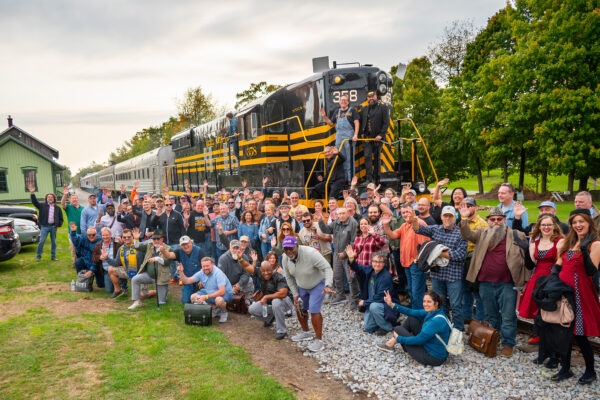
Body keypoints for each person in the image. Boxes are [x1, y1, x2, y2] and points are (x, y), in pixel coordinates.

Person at [458, 206, 528, 356]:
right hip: (485, 282)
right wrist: (463, 219)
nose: (496, 222)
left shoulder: (516, 234)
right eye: (493, 219)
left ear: (504, 220)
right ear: (488, 221)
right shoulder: (482, 233)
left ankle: (508, 343)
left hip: (508, 283)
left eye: (499, 219)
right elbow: (466, 234)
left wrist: (524, 280)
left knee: (508, 315)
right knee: (491, 315)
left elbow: (525, 257)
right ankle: (492, 339)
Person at [550, 209, 600, 384]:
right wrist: (551, 280)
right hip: (563, 290)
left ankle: (590, 370)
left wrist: (584, 249)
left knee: (579, 333)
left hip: (580, 292)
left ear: (589, 222)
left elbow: (591, 270)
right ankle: (565, 368)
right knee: (563, 331)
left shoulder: (595, 243)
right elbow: (559, 264)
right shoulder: (568, 241)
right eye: (575, 222)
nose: (578, 225)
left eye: (582, 221)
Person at [413, 206, 468, 331]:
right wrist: (414, 220)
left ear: (455, 217)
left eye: (450, 216)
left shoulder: (461, 233)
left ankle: (458, 331)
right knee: (439, 304)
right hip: (437, 274)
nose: (447, 218)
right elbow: (418, 229)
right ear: (441, 217)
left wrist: (437, 252)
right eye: (445, 215)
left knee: (455, 305)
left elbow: (460, 255)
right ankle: (444, 328)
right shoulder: (436, 229)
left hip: (454, 275)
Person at [517, 214, 563, 350]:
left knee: (549, 309)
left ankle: (549, 339)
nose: (546, 227)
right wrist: (528, 249)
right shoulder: (535, 243)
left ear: (554, 226)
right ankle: (539, 337)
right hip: (537, 277)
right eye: (543, 225)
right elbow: (531, 263)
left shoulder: (560, 241)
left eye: (549, 224)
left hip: (553, 277)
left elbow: (561, 263)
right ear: (539, 227)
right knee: (537, 309)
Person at [281, 237, 335, 352]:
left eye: (291, 248)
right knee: (299, 307)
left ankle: (319, 341)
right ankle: (306, 332)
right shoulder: (285, 257)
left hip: (317, 284)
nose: (289, 252)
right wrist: (295, 294)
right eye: (286, 249)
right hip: (302, 285)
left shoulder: (311, 253)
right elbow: (289, 278)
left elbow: (327, 268)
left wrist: (328, 285)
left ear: (297, 245)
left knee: (314, 309)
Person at [376, 290, 450, 367]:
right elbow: (411, 312)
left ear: (436, 303)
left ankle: (392, 343)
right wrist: (392, 304)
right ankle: (392, 343)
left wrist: (399, 339)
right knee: (412, 319)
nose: (425, 304)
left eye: (429, 302)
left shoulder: (437, 321)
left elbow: (419, 339)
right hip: (433, 347)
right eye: (424, 301)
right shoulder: (434, 312)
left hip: (434, 357)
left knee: (398, 329)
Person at [382, 204, 429, 309]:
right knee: (411, 289)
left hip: (416, 264)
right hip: (407, 263)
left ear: (413, 211)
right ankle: (414, 310)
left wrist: (417, 260)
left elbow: (425, 245)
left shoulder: (420, 223)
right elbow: (393, 235)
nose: (405, 214)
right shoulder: (404, 225)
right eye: (403, 213)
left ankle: (418, 315)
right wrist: (386, 225)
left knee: (417, 291)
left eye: (407, 212)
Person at [346, 246, 396, 334]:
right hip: (372, 302)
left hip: (385, 305)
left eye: (380, 262)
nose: (377, 264)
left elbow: (381, 297)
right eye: (375, 261)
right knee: (368, 327)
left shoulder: (386, 277)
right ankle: (380, 322)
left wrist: (365, 302)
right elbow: (358, 268)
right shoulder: (370, 270)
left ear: (384, 264)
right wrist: (351, 258)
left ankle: (388, 327)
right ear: (372, 262)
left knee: (374, 307)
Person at [318, 207, 359, 308]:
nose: (341, 216)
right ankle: (340, 295)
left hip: (348, 255)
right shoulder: (336, 222)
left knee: (351, 278)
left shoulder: (353, 223)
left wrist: (345, 253)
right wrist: (320, 221)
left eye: (343, 213)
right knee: (337, 276)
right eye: (339, 214)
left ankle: (355, 299)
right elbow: (327, 230)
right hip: (337, 254)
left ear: (348, 213)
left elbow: (354, 241)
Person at [242, 260, 294, 340]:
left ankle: (281, 330)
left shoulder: (278, 277)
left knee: (276, 302)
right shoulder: (259, 272)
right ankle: (270, 317)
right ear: (261, 270)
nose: (266, 273)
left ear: (272, 269)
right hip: (271, 301)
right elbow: (246, 266)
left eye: (268, 270)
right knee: (251, 309)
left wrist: (266, 297)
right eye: (264, 271)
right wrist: (239, 258)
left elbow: (283, 294)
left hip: (286, 301)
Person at [179, 257, 234, 324]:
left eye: (207, 266)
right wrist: (181, 271)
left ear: (212, 265)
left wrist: (206, 297)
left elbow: (222, 292)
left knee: (219, 300)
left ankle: (223, 312)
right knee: (193, 297)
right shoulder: (201, 272)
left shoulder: (218, 273)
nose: (205, 268)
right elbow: (187, 281)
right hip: (210, 291)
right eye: (203, 266)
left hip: (225, 293)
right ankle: (215, 308)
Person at [458, 197, 488, 322]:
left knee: (477, 292)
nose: (466, 208)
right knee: (465, 290)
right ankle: (467, 316)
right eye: (463, 205)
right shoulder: (460, 221)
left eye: (469, 205)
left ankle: (480, 320)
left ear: (475, 207)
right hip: (462, 259)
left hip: (474, 261)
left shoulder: (482, 224)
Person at [320, 94, 360, 183]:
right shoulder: (336, 112)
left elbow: (356, 123)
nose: (343, 101)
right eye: (342, 100)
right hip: (339, 138)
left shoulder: (352, 111)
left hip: (349, 138)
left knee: (349, 160)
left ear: (348, 102)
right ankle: (343, 179)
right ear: (339, 102)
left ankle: (350, 180)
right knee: (339, 159)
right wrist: (324, 116)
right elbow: (330, 123)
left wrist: (355, 135)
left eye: (345, 100)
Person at [128, 230, 172, 309]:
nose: (156, 241)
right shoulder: (149, 245)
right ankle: (137, 301)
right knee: (135, 279)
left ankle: (162, 294)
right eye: (154, 239)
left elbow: (167, 262)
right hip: (148, 275)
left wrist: (157, 258)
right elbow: (137, 247)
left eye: (158, 239)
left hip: (160, 278)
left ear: (162, 239)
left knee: (162, 302)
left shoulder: (168, 249)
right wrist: (136, 239)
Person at [162, 235, 207, 303]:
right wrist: (163, 251)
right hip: (187, 281)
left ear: (191, 242)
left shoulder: (199, 251)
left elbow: (206, 266)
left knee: (200, 300)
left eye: (187, 243)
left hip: (199, 281)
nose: (185, 246)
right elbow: (169, 255)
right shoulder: (179, 252)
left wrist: (203, 280)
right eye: (183, 244)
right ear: (180, 245)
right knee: (185, 301)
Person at [360, 91, 389, 184]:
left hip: (378, 138)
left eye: (372, 96)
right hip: (367, 138)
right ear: (367, 98)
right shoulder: (364, 109)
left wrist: (381, 135)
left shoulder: (383, 108)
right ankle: (369, 179)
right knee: (367, 157)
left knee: (377, 158)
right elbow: (362, 122)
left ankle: (377, 179)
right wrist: (362, 133)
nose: (371, 98)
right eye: (369, 97)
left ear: (376, 96)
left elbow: (386, 123)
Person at [29, 184, 63, 262]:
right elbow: (34, 202)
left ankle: (53, 256)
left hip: (53, 227)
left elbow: (61, 218)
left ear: (54, 199)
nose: (50, 198)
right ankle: (38, 256)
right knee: (41, 241)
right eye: (48, 197)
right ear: (46, 199)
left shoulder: (57, 208)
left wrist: (57, 225)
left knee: (53, 243)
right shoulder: (42, 206)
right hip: (44, 227)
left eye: (51, 197)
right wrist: (32, 193)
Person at [92, 227, 128, 298]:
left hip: (117, 267)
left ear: (111, 235)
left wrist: (122, 241)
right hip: (106, 270)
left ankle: (123, 285)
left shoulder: (117, 243)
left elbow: (125, 247)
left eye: (107, 235)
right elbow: (93, 257)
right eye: (103, 235)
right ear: (101, 236)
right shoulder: (98, 245)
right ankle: (117, 286)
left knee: (118, 273)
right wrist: (100, 257)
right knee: (109, 290)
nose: (105, 237)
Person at [69, 223, 104, 288]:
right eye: (89, 235)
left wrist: (91, 270)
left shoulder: (100, 241)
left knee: (101, 285)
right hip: (86, 261)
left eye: (93, 235)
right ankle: (82, 279)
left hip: (97, 264)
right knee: (78, 262)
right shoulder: (83, 238)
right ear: (86, 235)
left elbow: (97, 260)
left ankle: (96, 278)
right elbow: (75, 240)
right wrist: (73, 232)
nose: (91, 236)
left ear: (96, 234)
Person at [61, 185, 83, 264]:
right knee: (73, 249)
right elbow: (62, 203)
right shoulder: (69, 208)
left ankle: (81, 262)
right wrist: (65, 195)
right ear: (70, 200)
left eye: (75, 198)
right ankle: (74, 263)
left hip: (82, 232)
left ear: (78, 200)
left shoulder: (83, 208)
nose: (74, 200)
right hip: (72, 232)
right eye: (72, 199)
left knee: (81, 248)